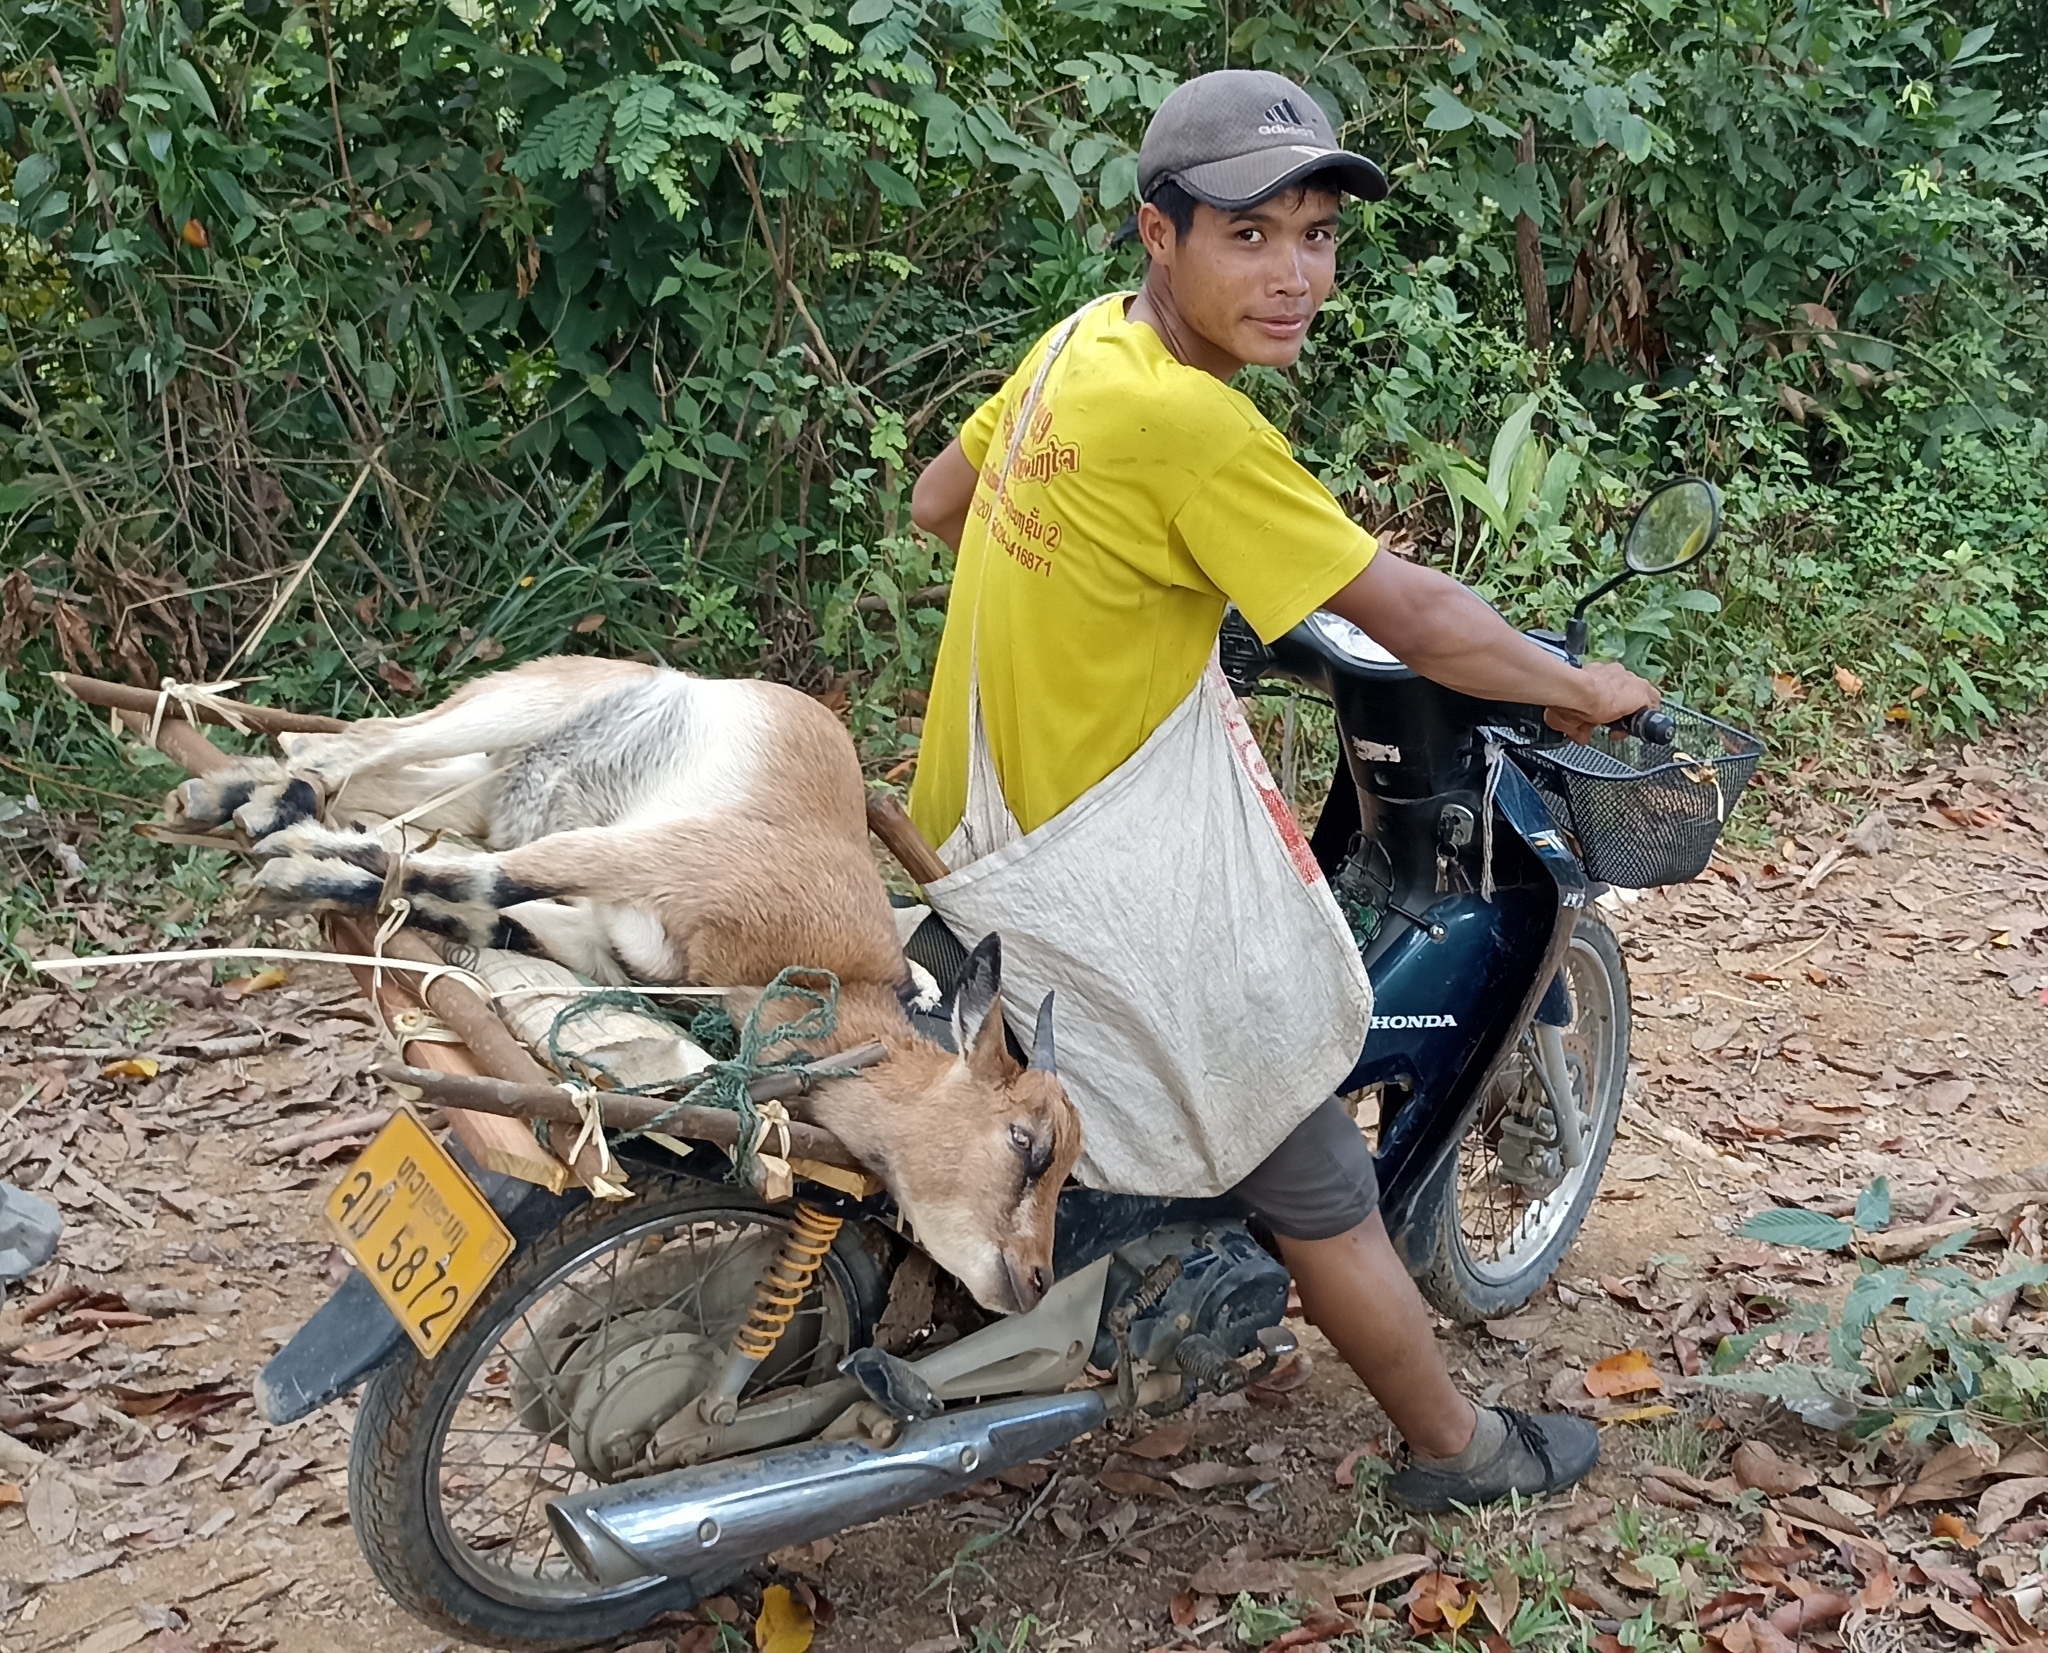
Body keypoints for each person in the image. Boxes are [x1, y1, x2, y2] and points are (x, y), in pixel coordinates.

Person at [906, 68, 1658, 1510]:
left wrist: (1109, 587)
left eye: (1316, 236)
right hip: (1085, 861)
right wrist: (1583, 685)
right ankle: (1460, 1451)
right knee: (1302, 1143)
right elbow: (1420, 615)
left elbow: (941, 501)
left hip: (972, 821)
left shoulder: (1079, 352)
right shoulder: (1195, 430)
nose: (1294, 273)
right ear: (1160, 233)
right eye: (1250, 236)